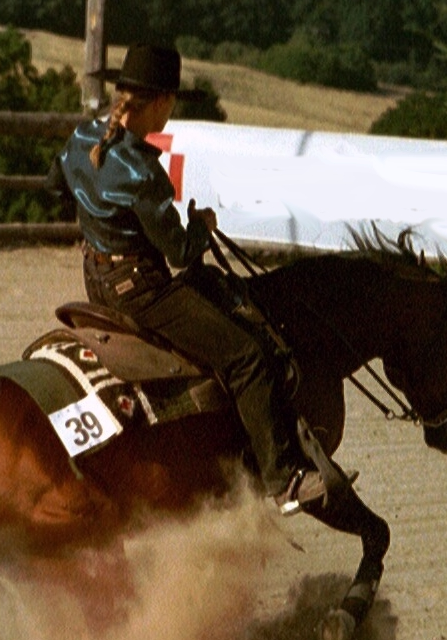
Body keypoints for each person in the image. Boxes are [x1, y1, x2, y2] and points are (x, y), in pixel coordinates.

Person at [48, 44, 324, 515]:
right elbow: (179, 252)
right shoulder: (142, 169)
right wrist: (204, 226)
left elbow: (56, 182)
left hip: (95, 279)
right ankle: (282, 480)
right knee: (248, 356)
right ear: (160, 102)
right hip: (142, 292)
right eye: (171, 103)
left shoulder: (82, 137)